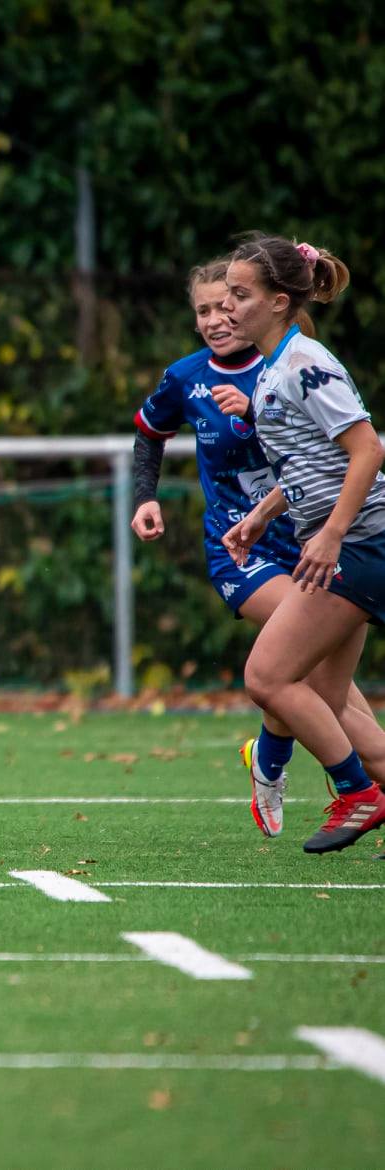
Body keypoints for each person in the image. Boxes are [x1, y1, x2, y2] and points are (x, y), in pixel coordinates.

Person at [129, 258, 385, 836]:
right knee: (302, 682)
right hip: (248, 551)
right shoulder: (194, 376)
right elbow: (149, 433)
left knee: (308, 687)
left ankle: (285, 762)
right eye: (205, 309)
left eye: (232, 300)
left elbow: (354, 448)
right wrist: (148, 497)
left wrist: (253, 418)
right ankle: (343, 785)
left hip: (329, 541)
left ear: (272, 303)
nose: (219, 317)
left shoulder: (288, 365)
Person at [220, 233, 385, 854]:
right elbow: (310, 465)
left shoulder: (304, 364)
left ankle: (359, 793)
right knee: (326, 699)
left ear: (280, 301)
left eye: (240, 295)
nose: (228, 306)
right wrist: (263, 514)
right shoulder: (275, 369)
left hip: (360, 544)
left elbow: (366, 449)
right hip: (355, 544)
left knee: (267, 677)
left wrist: (332, 534)